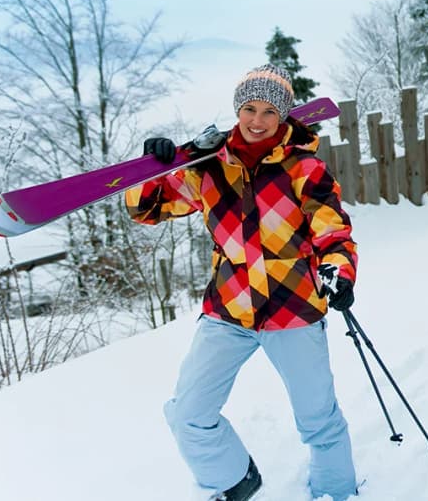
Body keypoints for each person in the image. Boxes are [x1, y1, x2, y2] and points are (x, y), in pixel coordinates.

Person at [125, 64, 358, 501]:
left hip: (293, 310)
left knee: (318, 421)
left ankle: (337, 492)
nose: (257, 120)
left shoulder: (304, 169)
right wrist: (155, 167)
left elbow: (333, 229)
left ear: (285, 116)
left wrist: (339, 270)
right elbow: (148, 210)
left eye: (270, 111)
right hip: (229, 310)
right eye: (249, 108)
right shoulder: (209, 167)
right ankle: (232, 481)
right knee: (188, 412)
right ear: (237, 110)